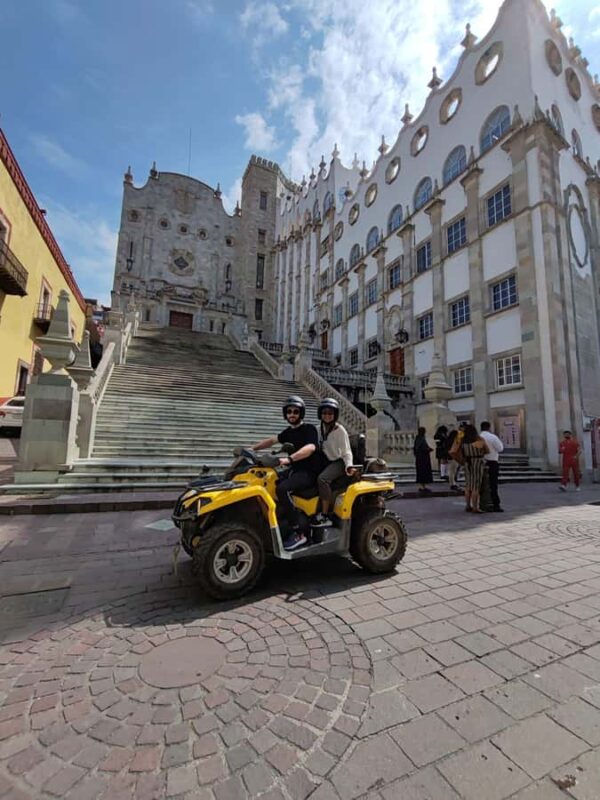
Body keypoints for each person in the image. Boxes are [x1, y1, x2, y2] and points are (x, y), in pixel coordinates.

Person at [251, 395, 320, 549]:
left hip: (308, 472)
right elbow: (272, 440)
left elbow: (310, 448)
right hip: (294, 470)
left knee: (282, 489)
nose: (292, 414)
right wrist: (252, 449)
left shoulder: (309, 429)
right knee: (270, 481)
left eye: (295, 411)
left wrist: (290, 459)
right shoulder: (288, 432)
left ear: (301, 413)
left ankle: (299, 532)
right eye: (289, 411)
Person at [313, 398, 354, 526]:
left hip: (339, 461)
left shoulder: (340, 430)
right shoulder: (318, 429)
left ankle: (325, 515)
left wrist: (349, 465)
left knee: (322, 479)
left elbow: (347, 452)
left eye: (330, 413)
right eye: (324, 413)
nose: (327, 416)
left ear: (335, 415)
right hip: (325, 460)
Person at [460, 424, 489, 513]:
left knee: (468, 485)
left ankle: (468, 505)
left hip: (467, 463)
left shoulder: (462, 441)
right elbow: (487, 451)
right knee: (475, 486)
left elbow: (461, 453)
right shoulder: (479, 440)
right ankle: (475, 507)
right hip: (477, 463)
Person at [480, 421, 504, 512]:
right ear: (489, 427)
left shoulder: (478, 437)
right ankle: (495, 504)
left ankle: (482, 503)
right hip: (492, 462)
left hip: (481, 462)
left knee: (481, 484)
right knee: (493, 484)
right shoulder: (492, 437)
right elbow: (500, 448)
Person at [413, 427, 433, 494]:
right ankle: (423, 487)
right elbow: (423, 448)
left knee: (421, 472)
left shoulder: (418, 438)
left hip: (420, 458)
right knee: (423, 472)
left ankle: (423, 486)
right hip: (423, 459)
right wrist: (429, 449)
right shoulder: (421, 439)